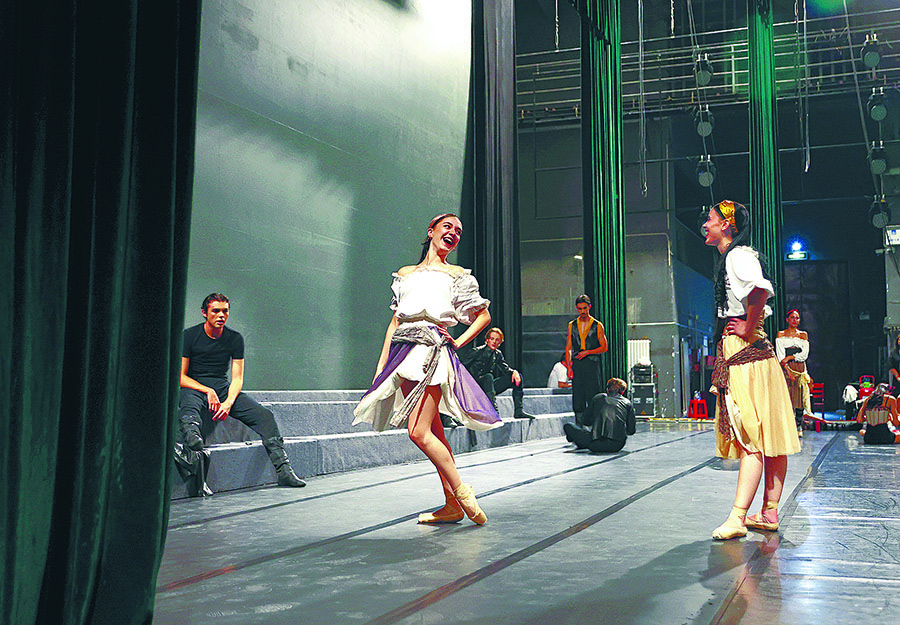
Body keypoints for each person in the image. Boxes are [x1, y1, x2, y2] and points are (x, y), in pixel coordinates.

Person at [353, 213, 502, 525]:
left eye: (459, 231)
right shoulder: (405, 274)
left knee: (418, 432)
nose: (454, 233)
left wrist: (458, 341)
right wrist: (382, 365)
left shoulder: (457, 275)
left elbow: (484, 316)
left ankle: (463, 493)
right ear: (431, 231)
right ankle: (451, 506)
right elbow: (395, 321)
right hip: (403, 351)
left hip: (429, 350)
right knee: (434, 433)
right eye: (448, 227)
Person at [703, 200, 800, 540]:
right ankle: (769, 511)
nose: (705, 225)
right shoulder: (739, 255)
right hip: (757, 353)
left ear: (726, 225)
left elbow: (759, 290)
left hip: (745, 350)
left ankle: (738, 517)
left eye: (711, 219)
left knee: (750, 436)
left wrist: (746, 326)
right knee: (769, 434)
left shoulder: (737, 256)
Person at [177, 293, 305, 494]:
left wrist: (228, 402)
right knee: (189, 403)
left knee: (265, 416)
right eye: (216, 311)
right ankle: (193, 441)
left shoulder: (234, 339)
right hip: (195, 387)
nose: (221, 315)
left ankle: (284, 472)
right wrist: (207, 390)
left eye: (225, 311)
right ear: (204, 313)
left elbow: (237, 378)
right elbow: (180, 376)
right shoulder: (190, 335)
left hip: (222, 388)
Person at [461, 327, 534, 419]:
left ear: (500, 342)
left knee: (517, 377)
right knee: (488, 377)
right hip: (474, 387)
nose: (494, 342)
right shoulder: (477, 351)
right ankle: (493, 410)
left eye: (497, 340)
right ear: (487, 340)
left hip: (488, 387)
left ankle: (519, 411)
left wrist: (514, 372)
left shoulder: (497, 354)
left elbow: (505, 369)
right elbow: (461, 368)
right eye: (492, 339)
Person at [565, 294, 608, 425]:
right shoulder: (572, 325)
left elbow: (604, 347)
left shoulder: (597, 325)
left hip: (592, 363)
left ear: (589, 307)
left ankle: (596, 426)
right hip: (578, 363)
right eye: (580, 308)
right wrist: (569, 367)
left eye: (584, 308)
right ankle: (579, 426)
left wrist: (588, 352)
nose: (582, 311)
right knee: (578, 394)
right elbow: (568, 347)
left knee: (593, 394)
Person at [563, 378, 636, 452]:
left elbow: (585, 421)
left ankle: (578, 441)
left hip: (595, 443)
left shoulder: (598, 398)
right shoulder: (627, 403)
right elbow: (631, 430)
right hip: (617, 445)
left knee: (568, 426)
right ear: (623, 392)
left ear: (607, 389)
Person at [775, 309, 814, 437]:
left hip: (799, 367)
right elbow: (780, 356)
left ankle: (798, 426)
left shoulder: (803, 335)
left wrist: (790, 357)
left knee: (799, 397)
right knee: (787, 396)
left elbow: (804, 355)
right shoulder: (781, 334)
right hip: (786, 368)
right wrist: (787, 369)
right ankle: (786, 426)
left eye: (797, 318)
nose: (795, 320)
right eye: (792, 317)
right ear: (787, 319)